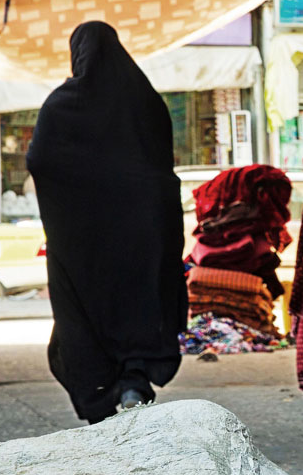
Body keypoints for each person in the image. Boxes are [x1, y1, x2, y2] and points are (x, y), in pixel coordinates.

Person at [26, 21, 184, 423]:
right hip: (143, 232)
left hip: (82, 241)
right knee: (141, 301)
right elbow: (162, 165)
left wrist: (73, 197)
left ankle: (99, 398)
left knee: (83, 310)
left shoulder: (63, 103)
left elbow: (39, 160)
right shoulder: (145, 100)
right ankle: (134, 379)